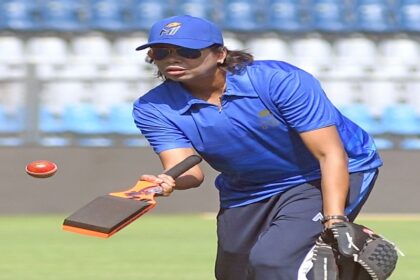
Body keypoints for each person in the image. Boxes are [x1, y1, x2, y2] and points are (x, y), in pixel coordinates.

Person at [132, 15, 383, 280]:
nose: (173, 59)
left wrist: (335, 221)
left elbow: (330, 153)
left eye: (187, 51)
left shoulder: (278, 80)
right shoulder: (152, 107)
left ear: (220, 54)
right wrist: (165, 182)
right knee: (236, 274)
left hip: (318, 174)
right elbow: (187, 171)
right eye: (161, 52)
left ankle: (351, 267)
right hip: (249, 187)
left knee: (274, 262)